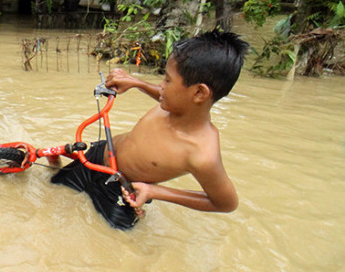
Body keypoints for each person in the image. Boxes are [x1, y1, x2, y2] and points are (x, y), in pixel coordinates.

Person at [52, 29, 249, 229]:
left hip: (120, 193)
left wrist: (155, 192)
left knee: (113, 242)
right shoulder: (174, 104)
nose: (161, 86)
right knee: (52, 190)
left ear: (199, 92)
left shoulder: (202, 154)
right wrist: (135, 83)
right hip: (97, 158)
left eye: (168, 80)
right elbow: (167, 96)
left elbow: (226, 203)